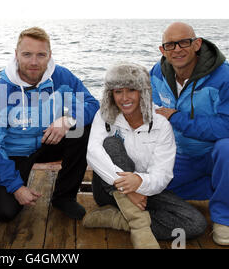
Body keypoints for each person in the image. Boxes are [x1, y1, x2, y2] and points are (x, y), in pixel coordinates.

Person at [0, 27, 100, 222]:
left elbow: (93, 104)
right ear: (16, 54)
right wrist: (16, 188)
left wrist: (67, 119)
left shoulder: (62, 77)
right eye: (27, 54)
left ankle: (64, 197)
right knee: (5, 212)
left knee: (82, 130)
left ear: (49, 56)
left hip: (49, 140)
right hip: (15, 152)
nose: (34, 62)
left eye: (41, 55)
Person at [84, 62, 207, 249]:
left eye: (131, 90)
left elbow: (162, 174)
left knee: (195, 223)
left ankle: (118, 220)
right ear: (111, 94)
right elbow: (92, 153)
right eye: (118, 91)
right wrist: (128, 188)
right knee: (111, 144)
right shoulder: (105, 115)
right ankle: (139, 227)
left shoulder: (161, 124)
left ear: (143, 92)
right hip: (109, 190)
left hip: (145, 190)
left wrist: (139, 183)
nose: (124, 98)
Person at [150, 22, 229, 246]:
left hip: (215, 153)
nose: (177, 49)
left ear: (197, 44)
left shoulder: (222, 76)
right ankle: (213, 186)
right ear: (162, 50)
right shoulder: (156, 74)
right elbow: (142, 106)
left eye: (184, 42)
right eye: (170, 45)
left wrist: (177, 117)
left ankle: (223, 218)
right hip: (181, 155)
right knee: (153, 188)